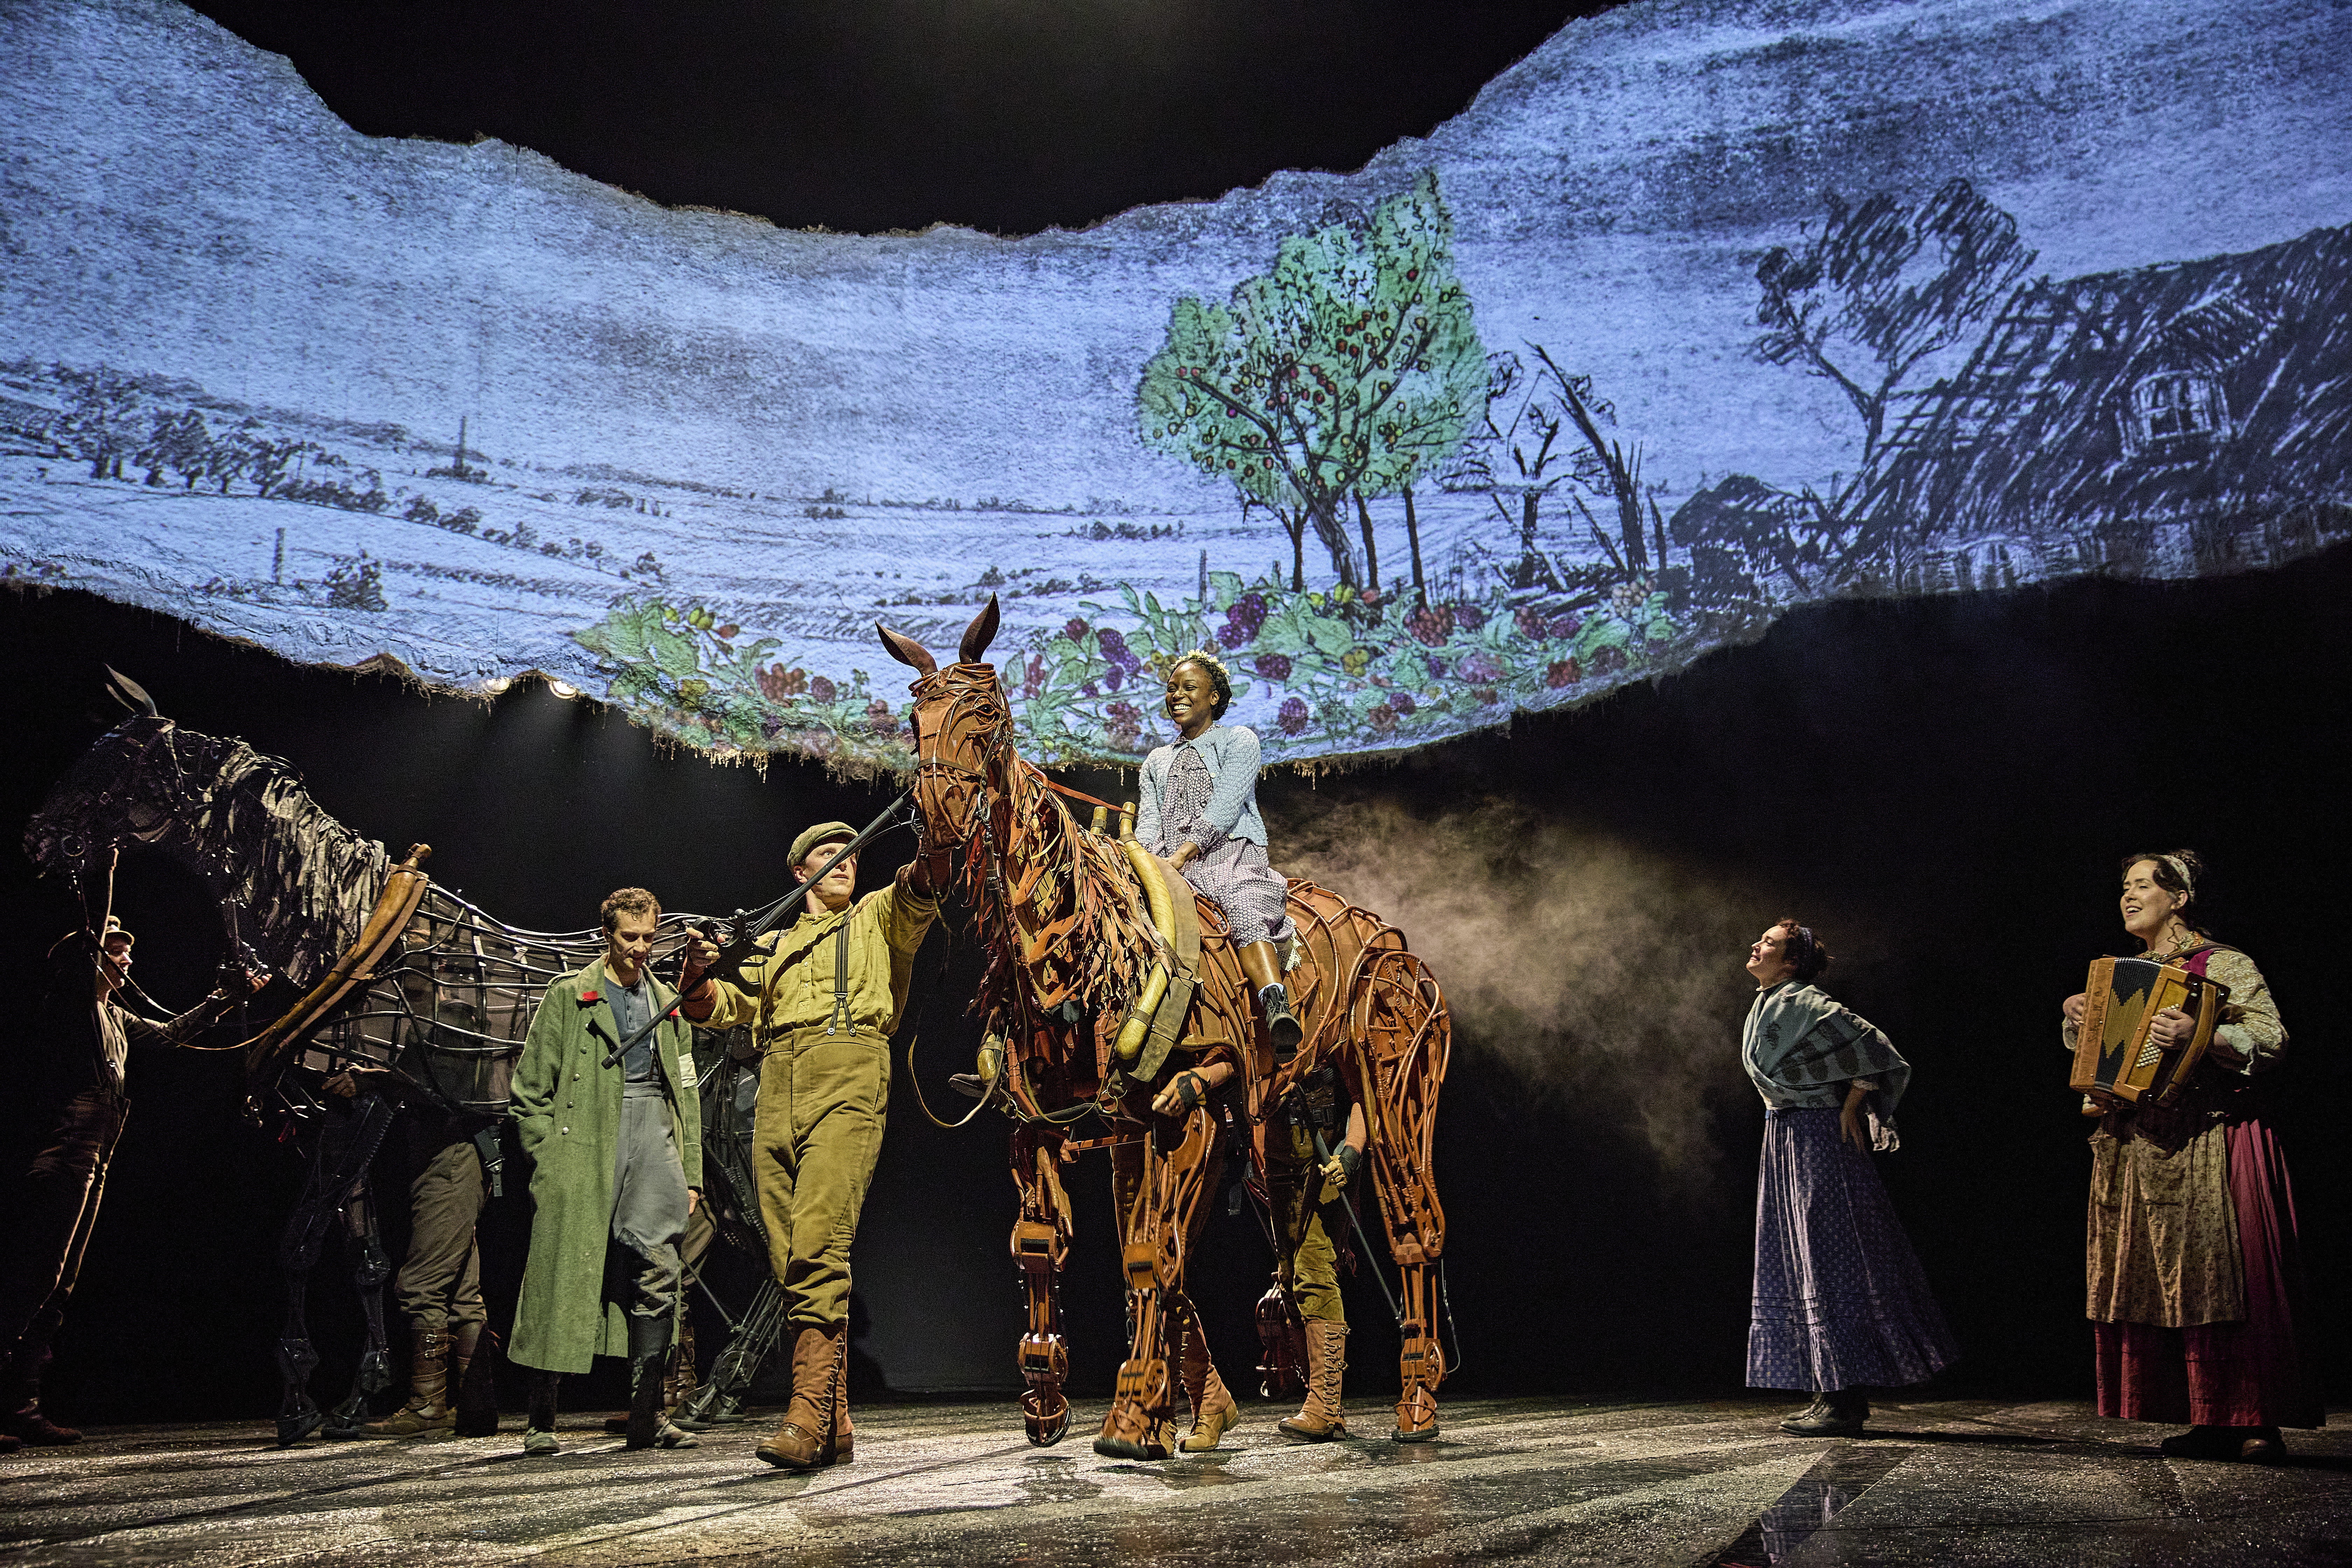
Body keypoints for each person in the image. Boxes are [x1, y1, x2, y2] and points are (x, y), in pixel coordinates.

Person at [682, 820, 939, 1470]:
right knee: (787, 1252)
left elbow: (926, 881)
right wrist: (696, 971)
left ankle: (804, 1413)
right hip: (778, 1079)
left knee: (821, 1241)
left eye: (852, 852)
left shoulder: (881, 915)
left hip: (850, 1069)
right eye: (829, 855)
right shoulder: (772, 945)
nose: (846, 861)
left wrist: (937, 827)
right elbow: (717, 1009)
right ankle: (837, 1422)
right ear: (801, 874)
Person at [2060, 850, 2319, 1462]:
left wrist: (2200, 1036)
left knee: (2226, 1274)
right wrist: (2080, 1017)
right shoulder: (2124, 973)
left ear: (2179, 898)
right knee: (2170, 1279)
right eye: (2124, 887)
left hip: (2213, 1136)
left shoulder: (2223, 963)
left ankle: (2256, 1418)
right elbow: (2102, 1062)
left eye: (2144, 886)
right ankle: (2203, 1415)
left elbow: (2272, 1038)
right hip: (2141, 1145)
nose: (2128, 897)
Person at [0, 912, 258, 1450]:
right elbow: (79, 957)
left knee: (60, 1284)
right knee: (35, 1278)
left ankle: (21, 1406)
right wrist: (107, 885)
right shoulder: (75, 1004)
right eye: (117, 950)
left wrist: (223, 999)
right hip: (73, 1144)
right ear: (90, 956)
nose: (128, 959)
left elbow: (166, 1037)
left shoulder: (114, 1015)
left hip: (98, 1148)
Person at [508, 888, 703, 1455]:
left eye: (649, 938)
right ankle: (542, 1419)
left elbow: (686, 1091)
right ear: (606, 936)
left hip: (652, 1133)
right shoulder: (570, 996)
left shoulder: (668, 1003)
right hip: (586, 1133)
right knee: (563, 1269)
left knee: (659, 1272)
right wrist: (550, 1161)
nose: (641, 949)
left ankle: (648, 1415)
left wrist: (689, 1172)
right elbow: (528, 1091)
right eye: (629, 938)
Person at [1742, 918, 1955, 1436]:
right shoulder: (1770, 1002)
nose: (1756, 945)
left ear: (1792, 962)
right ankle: (1828, 1391)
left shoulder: (1805, 1002)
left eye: (1769, 943)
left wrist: (1858, 1098)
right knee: (1798, 1259)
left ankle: (1842, 1398)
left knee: (1826, 1259)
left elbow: (1876, 1047)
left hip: (1818, 1136)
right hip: (1785, 1134)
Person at [1135, 651, 1301, 1058]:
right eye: (1172, 688)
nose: (1177, 694)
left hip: (1231, 858)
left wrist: (1186, 851)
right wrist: (1144, 861)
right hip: (1173, 870)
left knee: (1244, 904)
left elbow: (1227, 804)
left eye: (1189, 688)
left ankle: (1276, 1005)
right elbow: (1149, 825)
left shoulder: (1239, 740)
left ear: (1214, 697)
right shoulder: (1155, 761)